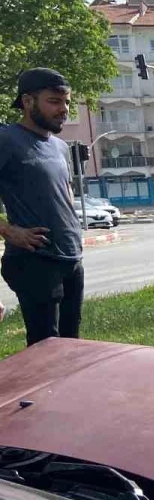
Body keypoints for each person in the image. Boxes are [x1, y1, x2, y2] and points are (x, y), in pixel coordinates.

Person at [0, 68, 84, 347]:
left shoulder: (60, 146)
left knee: (72, 347)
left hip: (71, 259)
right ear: (27, 101)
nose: (63, 109)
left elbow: (65, 193)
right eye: (54, 101)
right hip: (34, 260)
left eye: (67, 102)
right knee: (46, 349)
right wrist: (9, 232)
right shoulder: (7, 139)